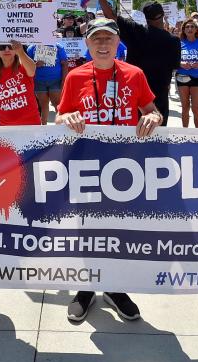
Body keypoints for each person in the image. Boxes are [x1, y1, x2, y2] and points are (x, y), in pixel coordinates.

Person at [56, 17, 163, 322]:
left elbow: (151, 111)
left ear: (118, 43)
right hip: (87, 166)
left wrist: (154, 118)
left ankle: (115, 287)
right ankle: (87, 287)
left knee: (118, 231)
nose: (103, 45)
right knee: (87, 230)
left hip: (124, 168)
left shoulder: (135, 74)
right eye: (96, 39)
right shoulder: (75, 77)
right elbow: (60, 118)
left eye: (108, 39)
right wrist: (69, 118)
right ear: (87, 44)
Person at [88, 0, 181, 126]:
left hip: (131, 94)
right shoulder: (174, 40)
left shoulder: (137, 32)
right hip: (159, 98)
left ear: (145, 17)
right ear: (163, 15)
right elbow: (175, 67)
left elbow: (110, 15)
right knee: (157, 140)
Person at [0, 41, 41, 126]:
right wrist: (1, 113)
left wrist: (20, 52)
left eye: (10, 47)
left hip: (31, 124)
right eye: (2, 47)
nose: (6, 49)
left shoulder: (23, 67)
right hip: (6, 127)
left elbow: (32, 70)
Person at [28, 42, 68, 124]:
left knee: (57, 104)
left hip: (56, 81)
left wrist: (64, 80)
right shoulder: (31, 48)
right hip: (39, 81)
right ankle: (44, 127)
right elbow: (26, 65)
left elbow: (65, 64)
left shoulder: (58, 47)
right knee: (43, 105)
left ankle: (60, 126)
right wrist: (35, 65)